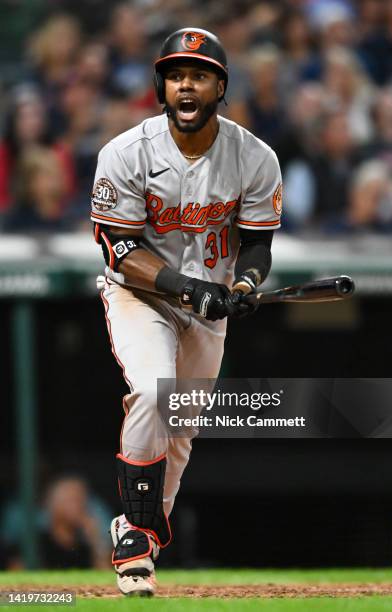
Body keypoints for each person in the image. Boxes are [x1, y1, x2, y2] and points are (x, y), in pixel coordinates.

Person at [91, 27, 282, 597]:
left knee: (179, 428)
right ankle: (133, 539)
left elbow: (258, 242)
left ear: (220, 87)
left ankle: (140, 536)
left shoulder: (254, 156)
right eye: (176, 76)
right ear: (162, 88)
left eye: (199, 76)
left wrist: (245, 283)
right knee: (154, 392)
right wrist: (186, 288)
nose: (186, 86)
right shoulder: (126, 152)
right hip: (141, 294)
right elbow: (120, 250)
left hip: (208, 304)